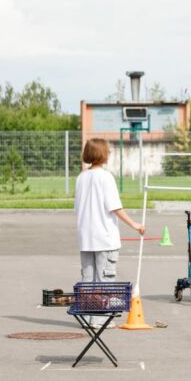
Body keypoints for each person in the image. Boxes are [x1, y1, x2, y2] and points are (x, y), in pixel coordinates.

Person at [75, 138, 145, 327]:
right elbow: (114, 207)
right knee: (104, 280)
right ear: (102, 154)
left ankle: (87, 317)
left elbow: (78, 207)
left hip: (85, 238)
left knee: (88, 280)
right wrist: (135, 224)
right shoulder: (106, 177)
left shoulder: (81, 177)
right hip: (104, 237)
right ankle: (100, 318)